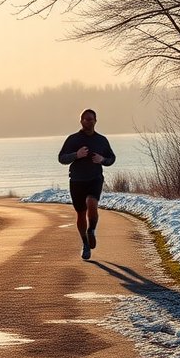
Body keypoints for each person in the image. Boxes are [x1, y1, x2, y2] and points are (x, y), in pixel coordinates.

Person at [57, 109, 116, 260]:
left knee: (91, 202)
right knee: (81, 213)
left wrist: (102, 160)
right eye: (85, 119)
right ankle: (85, 243)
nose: (87, 122)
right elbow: (61, 158)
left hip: (95, 178)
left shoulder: (101, 140)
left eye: (90, 119)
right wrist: (76, 155)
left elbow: (112, 158)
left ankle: (91, 230)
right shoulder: (73, 139)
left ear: (95, 121)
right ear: (81, 121)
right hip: (77, 180)